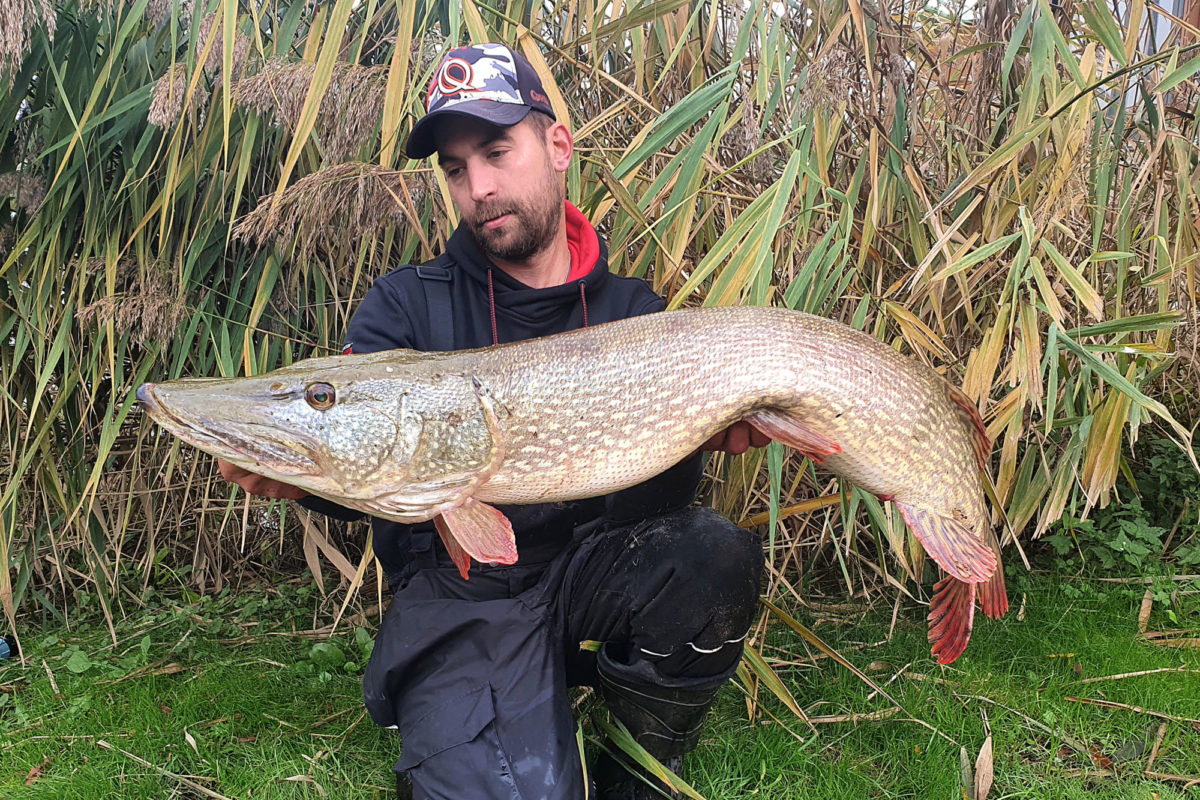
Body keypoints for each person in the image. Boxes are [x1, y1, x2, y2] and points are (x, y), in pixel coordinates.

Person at [220, 42, 768, 800]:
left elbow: (656, 512)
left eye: (497, 151)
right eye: (454, 167)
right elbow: (366, 445)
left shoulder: (634, 317)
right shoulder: (404, 307)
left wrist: (712, 430)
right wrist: (294, 477)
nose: (477, 186)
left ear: (557, 146)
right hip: (463, 593)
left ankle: (640, 767)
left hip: (591, 582)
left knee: (711, 554)